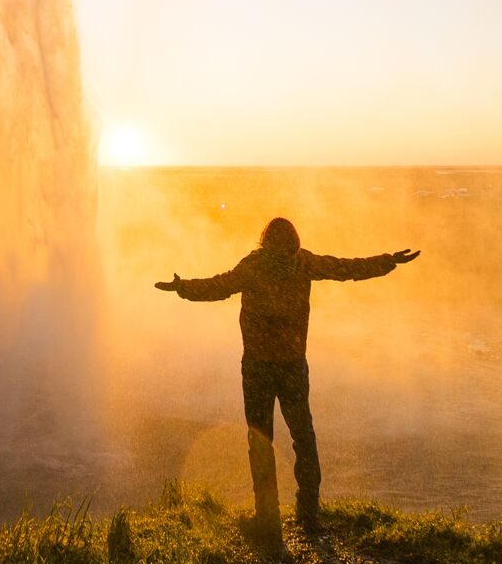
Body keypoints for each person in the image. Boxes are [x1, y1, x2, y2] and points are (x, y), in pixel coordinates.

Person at [156, 216, 419, 547]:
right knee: (304, 440)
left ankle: (267, 522)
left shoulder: (253, 265)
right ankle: (309, 517)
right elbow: (345, 268)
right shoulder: (303, 262)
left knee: (261, 443)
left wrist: (183, 287)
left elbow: (219, 287)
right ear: (294, 242)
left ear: (264, 240)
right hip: (293, 366)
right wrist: (386, 262)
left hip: (258, 369)